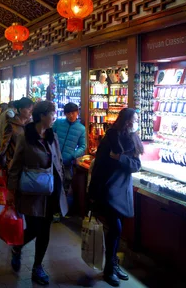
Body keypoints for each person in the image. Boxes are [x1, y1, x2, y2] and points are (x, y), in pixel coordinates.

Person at [7, 101, 68, 285]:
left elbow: (58, 162)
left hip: (50, 191)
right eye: (52, 113)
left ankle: (37, 267)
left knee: (45, 231)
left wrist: (63, 183)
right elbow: (15, 165)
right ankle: (17, 247)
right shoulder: (25, 137)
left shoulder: (53, 136)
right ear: (42, 116)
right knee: (34, 228)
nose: (55, 117)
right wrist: (11, 191)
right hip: (31, 191)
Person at [88, 108, 143, 287]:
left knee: (117, 229)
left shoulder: (132, 138)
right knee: (115, 228)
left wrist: (121, 159)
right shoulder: (111, 137)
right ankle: (109, 269)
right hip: (109, 189)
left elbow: (137, 165)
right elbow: (100, 165)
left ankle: (112, 263)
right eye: (134, 119)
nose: (136, 123)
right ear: (126, 120)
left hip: (123, 189)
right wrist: (92, 192)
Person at [53, 103, 87, 218]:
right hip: (53, 159)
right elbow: (50, 137)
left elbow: (83, 146)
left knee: (65, 185)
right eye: (68, 113)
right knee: (53, 185)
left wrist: (73, 155)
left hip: (67, 162)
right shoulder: (58, 123)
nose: (71, 115)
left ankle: (61, 211)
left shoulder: (81, 129)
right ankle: (53, 210)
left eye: (73, 112)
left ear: (77, 112)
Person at [0, 98, 33, 168]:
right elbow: (5, 144)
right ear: (20, 110)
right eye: (29, 109)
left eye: (32, 109)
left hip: (28, 163)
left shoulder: (31, 125)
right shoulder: (11, 124)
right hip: (13, 162)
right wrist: (1, 160)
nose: (31, 112)